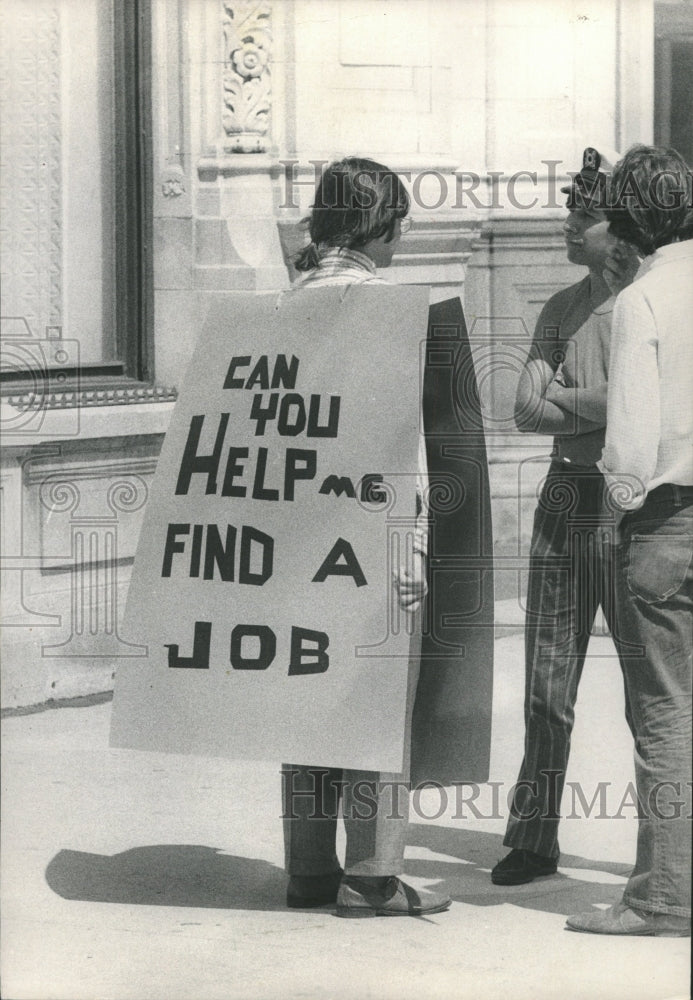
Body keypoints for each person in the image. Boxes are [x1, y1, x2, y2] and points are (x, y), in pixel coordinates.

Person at [282, 157, 451, 918]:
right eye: (399, 221)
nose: (405, 235)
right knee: (375, 704)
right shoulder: (390, 310)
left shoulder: (277, 305)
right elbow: (401, 445)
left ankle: (308, 867)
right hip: (367, 538)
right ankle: (374, 877)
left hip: (286, 545)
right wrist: (411, 550)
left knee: (301, 694)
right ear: (376, 225)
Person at [491, 147, 636, 886]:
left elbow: (639, 409)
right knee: (546, 686)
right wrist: (603, 403)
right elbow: (520, 408)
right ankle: (532, 836)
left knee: (652, 696)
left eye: (583, 215)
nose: (567, 225)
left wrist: (573, 401)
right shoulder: (558, 307)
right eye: (568, 211)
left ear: (618, 227)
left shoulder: (644, 307)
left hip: (630, 500)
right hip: (561, 498)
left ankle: (663, 855)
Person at [567, 144, 692, 937]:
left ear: (626, 222)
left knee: (665, 713)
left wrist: (617, 508)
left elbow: (631, 441)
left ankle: (660, 896)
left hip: (666, 522)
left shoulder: (643, 301)